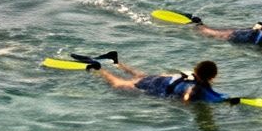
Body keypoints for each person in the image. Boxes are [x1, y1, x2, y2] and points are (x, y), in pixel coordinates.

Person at [77, 53, 227, 104]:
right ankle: (98, 68)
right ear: (214, 76)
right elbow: (188, 95)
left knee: (139, 75)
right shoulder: (195, 87)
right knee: (118, 83)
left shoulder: (190, 75)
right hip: (157, 86)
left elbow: (169, 76)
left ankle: (116, 62)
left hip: (160, 79)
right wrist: (186, 103)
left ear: (196, 70)